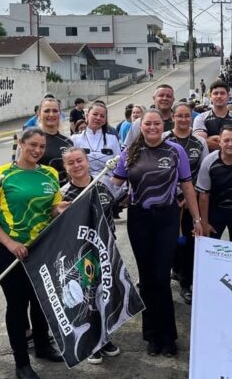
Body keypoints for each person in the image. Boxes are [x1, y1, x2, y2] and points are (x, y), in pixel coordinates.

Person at [0, 129, 68, 379]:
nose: (37, 150)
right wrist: (10, 243)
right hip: (8, 250)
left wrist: (60, 209)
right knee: (18, 304)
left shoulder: (49, 174)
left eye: (42, 146)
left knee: (41, 300)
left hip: (41, 248)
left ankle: (43, 345)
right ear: (21, 143)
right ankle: (22, 362)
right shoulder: (0, 175)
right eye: (32, 145)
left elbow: (52, 208)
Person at [111, 109, 203, 358]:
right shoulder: (129, 152)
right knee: (147, 279)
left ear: (164, 125)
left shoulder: (175, 150)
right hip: (139, 219)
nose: (152, 127)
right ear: (140, 127)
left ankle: (168, 336)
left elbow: (187, 186)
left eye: (157, 123)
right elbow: (114, 184)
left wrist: (197, 219)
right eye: (147, 124)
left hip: (167, 218)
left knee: (161, 278)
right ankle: (151, 335)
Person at [60, 147, 122, 364]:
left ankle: (105, 338)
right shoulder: (63, 194)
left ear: (87, 161)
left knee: (105, 294)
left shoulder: (103, 184)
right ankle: (90, 343)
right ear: (65, 167)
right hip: (81, 254)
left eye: (80, 160)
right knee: (87, 299)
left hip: (106, 249)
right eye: (71, 163)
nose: (77, 166)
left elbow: (114, 210)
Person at [163, 102, 207, 304]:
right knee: (169, 242)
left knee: (190, 243)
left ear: (191, 117)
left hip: (192, 200)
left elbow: (204, 171)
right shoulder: (164, 139)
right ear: (172, 116)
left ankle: (187, 283)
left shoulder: (200, 141)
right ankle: (169, 275)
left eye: (187, 116)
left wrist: (191, 197)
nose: (183, 119)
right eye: (179, 116)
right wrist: (174, 197)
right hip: (168, 200)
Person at [17, 97, 74, 186]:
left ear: (60, 114)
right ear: (39, 114)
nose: (51, 114)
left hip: (63, 191)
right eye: (47, 111)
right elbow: (18, 169)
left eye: (55, 111)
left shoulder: (68, 142)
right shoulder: (29, 139)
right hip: (36, 190)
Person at [71, 101, 122, 178]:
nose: (98, 118)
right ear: (87, 115)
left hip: (108, 183)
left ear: (105, 120)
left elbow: (119, 165)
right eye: (95, 114)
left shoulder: (112, 139)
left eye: (102, 116)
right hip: (83, 183)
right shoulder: (75, 139)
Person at [194, 80, 232, 151]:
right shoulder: (200, 118)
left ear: (228, 96)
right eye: (215, 93)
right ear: (210, 97)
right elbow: (200, 142)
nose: (219, 96)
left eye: (222, 93)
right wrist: (231, 143)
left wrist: (210, 139)